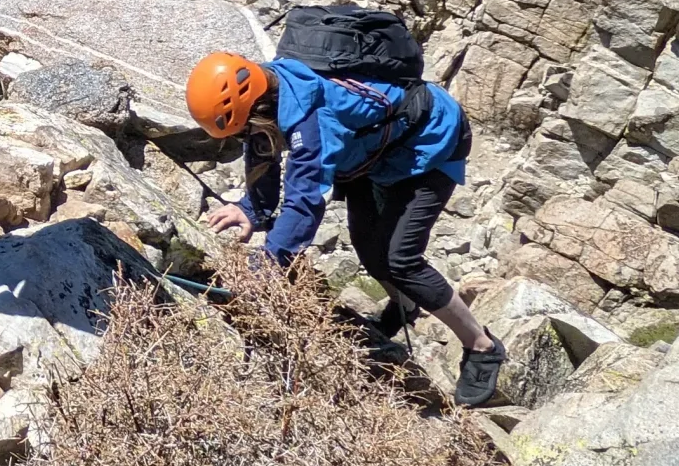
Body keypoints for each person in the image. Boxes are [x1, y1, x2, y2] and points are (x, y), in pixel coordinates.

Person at [186, 49, 508, 407]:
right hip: (372, 151)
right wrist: (252, 208)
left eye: (242, 128)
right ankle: (405, 304)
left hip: (432, 141)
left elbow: (305, 201)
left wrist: (271, 261)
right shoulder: (272, 89)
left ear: (256, 109)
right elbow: (262, 148)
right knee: (370, 249)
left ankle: (482, 347)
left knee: (400, 259)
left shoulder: (312, 121)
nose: (243, 138)